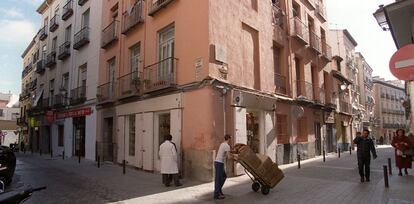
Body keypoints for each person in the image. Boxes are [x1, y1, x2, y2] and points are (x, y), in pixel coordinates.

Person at [214, 134, 234, 200]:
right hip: (219, 163)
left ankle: (219, 190)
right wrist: (235, 157)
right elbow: (229, 157)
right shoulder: (227, 146)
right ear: (228, 139)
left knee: (224, 176)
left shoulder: (222, 144)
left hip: (218, 162)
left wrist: (230, 153)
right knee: (218, 179)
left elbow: (226, 153)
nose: (230, 140)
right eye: (230, 139)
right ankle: (216, 195)